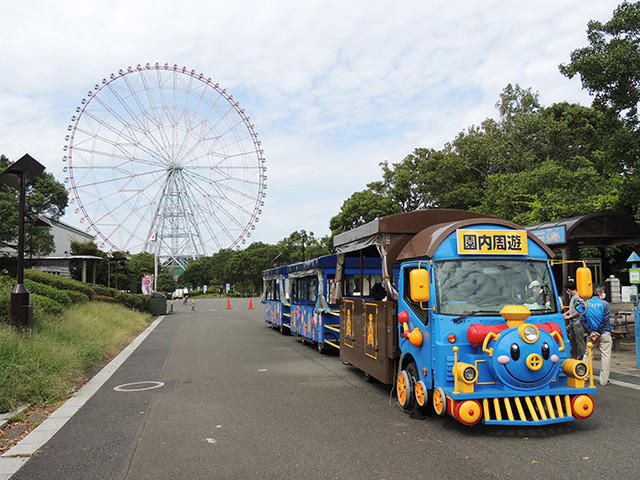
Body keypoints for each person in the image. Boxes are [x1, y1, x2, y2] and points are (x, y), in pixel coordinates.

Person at [579, 284, 612, 386]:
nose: (603, 293)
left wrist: (592, 332)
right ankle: (603, 380)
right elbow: (606, 319)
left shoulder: (584, 303)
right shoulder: (605, 304)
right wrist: (598, 332)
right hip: (605, 332)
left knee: (588, 355)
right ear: (599, 293)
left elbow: (582, 319)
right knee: (605, 356)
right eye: (603, 291)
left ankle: (584, 377)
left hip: (590, 334)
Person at [563, 281, 586, 360]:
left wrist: (569, 317)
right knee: (573, 341)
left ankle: (581, 357)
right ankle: (574, 357)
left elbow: (579, 311)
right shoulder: (574, 297)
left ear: (568, 289)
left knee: (579, 341)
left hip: (578, 323)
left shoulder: (577, 297)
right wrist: (566, 313)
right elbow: (573, 308)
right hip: (573, 323)